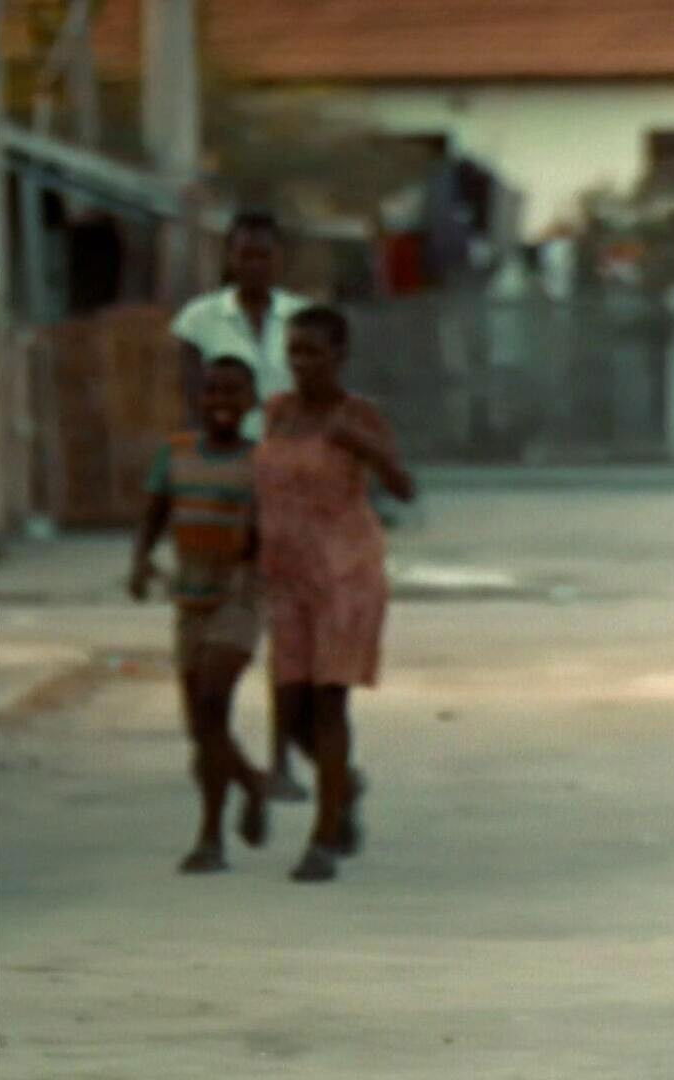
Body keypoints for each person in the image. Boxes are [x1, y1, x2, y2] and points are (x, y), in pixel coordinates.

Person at [256, 306, 416, 883]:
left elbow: (405, 487)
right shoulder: (277, 413)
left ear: (339, 356)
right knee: (291, 700)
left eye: (313, 352)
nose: (301, 364)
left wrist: (367, 449)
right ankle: (343, 784)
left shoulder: (359, 416)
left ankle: (324, 838)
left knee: (328, 700)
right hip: (286, 575)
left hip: (344, 575)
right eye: (293, 352)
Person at [170, 209, 311, 801]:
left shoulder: (301, 318)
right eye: (244, 253)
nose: (254, 263)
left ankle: (281, 762)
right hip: (224, 479)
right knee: (212, 626)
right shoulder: (200, 320)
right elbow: (187, 402)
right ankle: (215, 749)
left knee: (287, 628)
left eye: (264, 253)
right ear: (229, 257)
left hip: (288, 479)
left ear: (280, 259)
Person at [129, 356, 270, 873]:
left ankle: (210, 837)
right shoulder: (176, 453)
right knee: (200, 726)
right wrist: (140, 561)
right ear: (199, 398)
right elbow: (155, 513)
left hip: (240, 595)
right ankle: (251, 783)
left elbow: (277, 530)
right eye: (213, 391)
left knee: (213, 703)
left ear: (251, 401)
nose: (222, 402)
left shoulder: (263, 462)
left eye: (233, 392)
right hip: (189, 595)